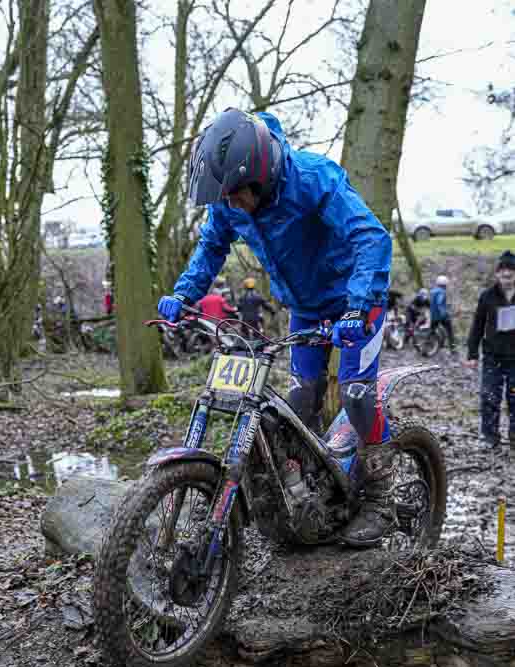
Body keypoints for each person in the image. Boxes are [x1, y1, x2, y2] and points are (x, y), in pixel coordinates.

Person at [157, 108, 392, 547]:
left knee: (357, 393)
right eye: (223, 197)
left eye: (234, 195)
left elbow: (371, 238)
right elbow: (211, 247)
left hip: (358, 301)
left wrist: (358, 307)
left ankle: (381, 496)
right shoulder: (231, 201)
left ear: (261, 176)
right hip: (305, 306)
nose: (230, 204)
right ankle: (309, 499)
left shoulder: (313, 177)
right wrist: (185, 294)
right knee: (298, 401)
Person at [465, 250, 515, 449]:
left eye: (511, 270)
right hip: (492, 356)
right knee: (489, 395)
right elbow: (477, 325)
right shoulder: (487, 296)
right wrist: (472, 354)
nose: (506, 274)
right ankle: (489, 437)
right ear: (497, 274)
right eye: (502, 270)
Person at [429, 275, 455, 352]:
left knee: (432, 331)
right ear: (444, 284)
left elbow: (432, 303)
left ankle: (429, 345)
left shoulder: (432, 291)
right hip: (441, 316)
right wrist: (444, 313)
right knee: (450, 331)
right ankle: (453, 348)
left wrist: (446, 305)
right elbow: (439, 303)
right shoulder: (442, 292)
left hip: (433, 315)